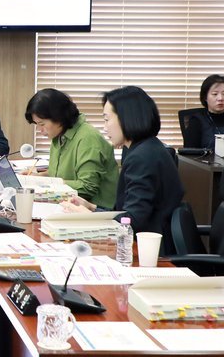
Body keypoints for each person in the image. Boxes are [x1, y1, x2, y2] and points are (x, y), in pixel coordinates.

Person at [66, 86, 184, 253]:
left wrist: (88, 217)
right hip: (144, 243)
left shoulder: (142, 157)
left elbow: (133, 221)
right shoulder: (143, 148)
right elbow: (126, 212)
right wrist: (91, 207)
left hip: (149, 251)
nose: (105, 127)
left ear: (127, 118)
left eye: (107, 119)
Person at [24, 88, 118, 209]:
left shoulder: (88, 138)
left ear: (58, 117)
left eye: (42, 124)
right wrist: (37, 178)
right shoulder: (59, 135)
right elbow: (60, 174)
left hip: (97, 211)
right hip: (69, 205)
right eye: (36, 124)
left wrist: (48, 183)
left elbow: (87, 187)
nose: (39, 130)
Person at [182, 74, 224, 150]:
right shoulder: (196, 120)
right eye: (215, 94)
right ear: (205, 97)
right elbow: (190, 153)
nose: (220, 98)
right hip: (206, 158)